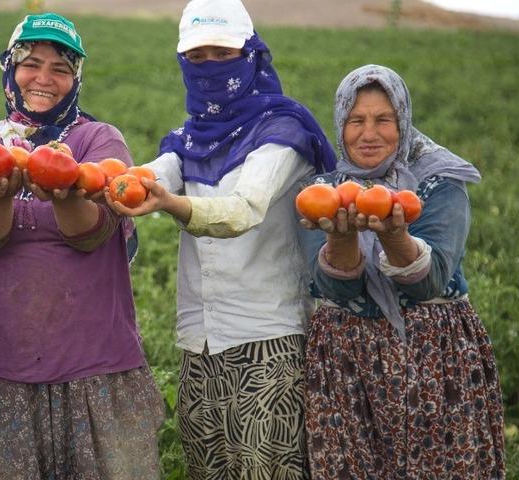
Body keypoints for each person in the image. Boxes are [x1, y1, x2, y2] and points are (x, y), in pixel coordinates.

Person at [107, 0, 337, 477]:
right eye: (197, 56)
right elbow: (154, 174)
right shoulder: (191, 137)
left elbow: (242, 210)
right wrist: (94, 180)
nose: (209, 65)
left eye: (222, 53)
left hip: (267, 339)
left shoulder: (282, 132)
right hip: (199, 342)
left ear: (250, 54)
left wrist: (168, 204)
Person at [0, 13, 164, 479]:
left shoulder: (99, 141)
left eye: (60, 69)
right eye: (30, 64)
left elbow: (94, 234)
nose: (44, 79)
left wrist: (67, 194)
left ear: (76, 78)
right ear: (9, 70)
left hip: (95, 365)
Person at [298, 64, 505, 478]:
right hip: (345, 361)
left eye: (383, 120)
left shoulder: (439, 182)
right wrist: (341, 238)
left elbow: (432, 277)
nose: (369, 134)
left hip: (432, 355)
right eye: (356, 120)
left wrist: (395, 236)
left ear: (403, 122)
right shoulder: (321, 193)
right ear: (340, 124)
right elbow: (333, 289)